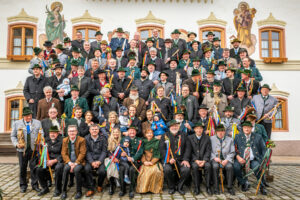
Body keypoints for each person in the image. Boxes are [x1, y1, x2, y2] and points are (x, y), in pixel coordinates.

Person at [10, 107, 42, 193]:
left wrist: (40, 141)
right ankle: (23, 185)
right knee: (22, 168)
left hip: (33, 149)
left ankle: (35, 185)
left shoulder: (38, 123)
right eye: (26, 116)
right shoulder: (17, 123)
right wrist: (16, 144)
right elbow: (13, 136)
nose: (29, 117)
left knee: (34, 168)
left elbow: (41, 134)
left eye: (30, 115)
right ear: (23, 116)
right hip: (22, 150)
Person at [233, 121, 267, 195]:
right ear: (242, 128)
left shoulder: (258, 137)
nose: (246, 129)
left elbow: (264, 149)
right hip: (241, 159)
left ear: (251, 128)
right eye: (245, 127)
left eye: (248, 127)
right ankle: (244, 182)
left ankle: (261, 186)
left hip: (253, 159)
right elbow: (233, 149)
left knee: (258, 167)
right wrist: (237, 157)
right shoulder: (237, 137)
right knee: (235, 167)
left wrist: (263, 160)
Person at [160, 120, 190, 195]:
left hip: (181, 159)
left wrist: (186, 159)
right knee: (167, 169)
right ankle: (171, 187)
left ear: (179, 126)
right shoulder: (165, 136)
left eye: (176, 125)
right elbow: (162, 149)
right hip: (168, 159)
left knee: (186, 169)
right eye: (173, 126)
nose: (174, 127)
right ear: (170, 127)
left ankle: (180, 187)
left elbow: (188, 148)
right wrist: (169, 158)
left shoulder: (184, 135)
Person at [36, 126, 64, 197]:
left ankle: (58, 189)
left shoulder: (62, 141)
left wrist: (54, 160)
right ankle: (45, 188)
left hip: (58, 161)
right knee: (39, 169)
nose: (52, 134)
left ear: (57, 134)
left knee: (58, 168)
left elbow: (64, 153)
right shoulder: (45, 140)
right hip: (47, 161)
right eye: (51, 133)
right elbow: (40, 152)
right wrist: (43, 160)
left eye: (54, 133)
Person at [186, 122, 212, 195]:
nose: (199, 130)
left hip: (204, 159)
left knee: (208, 166)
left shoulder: (207, 138)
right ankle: (196, 187)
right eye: (197, 128)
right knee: (194, 167)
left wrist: (204, 160)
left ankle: (208, 187)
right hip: (194, 160)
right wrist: (195, 160)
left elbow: (208, 150)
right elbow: (189, 151)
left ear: (203, 129)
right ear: (194, 129)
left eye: (200, 128)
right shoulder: (190, 138)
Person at [61, 125, 86, 199]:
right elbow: (63, 153)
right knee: (65, 169)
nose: (72, 132)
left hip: (79, 162)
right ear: (68, 132)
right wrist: (69, 163)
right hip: (69, 162)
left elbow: (83, 153)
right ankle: (64, 191)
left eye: (73, 131)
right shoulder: (65, 140)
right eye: (70, 131)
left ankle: (79, 191)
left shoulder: (81, 140)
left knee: (76, 170)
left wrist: (75, 163)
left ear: (76, 132)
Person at [118, 126, 144, 198]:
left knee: (132, 169)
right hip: (124, 161)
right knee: (121, 169)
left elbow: (140, 152)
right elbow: (120, 149)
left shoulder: (140, 140)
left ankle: (131, 190)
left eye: (134, 131)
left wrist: (133, 158)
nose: (132, 132)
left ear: (136, 132)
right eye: (130, 130)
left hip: (134, 161)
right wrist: (121, 154)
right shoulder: (123, 139)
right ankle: (122, 189)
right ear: (128, 132)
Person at [136, 129, 164, 194]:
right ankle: (144, 189)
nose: (149, 134)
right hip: (145, 161)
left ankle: (153, 189)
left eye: (151, 133)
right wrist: (144, 161)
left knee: (155, 171)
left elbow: (158, 153)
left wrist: (152, 162)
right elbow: (141, 153)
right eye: (148, 133)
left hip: (154, 161)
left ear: (153, 134)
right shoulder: (143, 142)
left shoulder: (157, 141)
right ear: (145, 135)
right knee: (145, 171)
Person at [210, 124, 235, 195]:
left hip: (226, 159)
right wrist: (214, 158)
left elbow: (232, 152)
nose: (221, 133)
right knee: (215, 167)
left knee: (229, 167)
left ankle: (230, 187)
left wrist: (227, 160)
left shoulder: (230, 139)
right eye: (219, 131)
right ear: (216, 132)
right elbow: (209, 151)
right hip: (215, 159)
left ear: (225, 132)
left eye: (222, 131)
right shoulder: (211, 139)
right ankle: (216, 187)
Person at [84, 124, 107, 197]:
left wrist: (99, 161)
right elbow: (86, 152)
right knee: (87, 169)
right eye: (92, 129)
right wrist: (91, 162)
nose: (94, 131)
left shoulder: (103, 138)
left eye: (96, 129)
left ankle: (99, 185)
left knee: (102, 171)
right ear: (89, 130)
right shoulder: (86, 138)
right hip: (90, 159)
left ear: (98, 130)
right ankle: (91, 188)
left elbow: (104, 151)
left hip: (100, 159)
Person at [105, 128, 122, 195]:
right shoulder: (109, 140)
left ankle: (117, 180)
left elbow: (125, 150)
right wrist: (112, 157)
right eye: (114, 132)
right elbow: (107, 151)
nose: (116, 134)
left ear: (119, 133)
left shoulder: (122, 140)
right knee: (111, 164)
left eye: (117, 132)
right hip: (111, 158)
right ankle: (112, 184)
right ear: (112, 133)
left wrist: (119, 158)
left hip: (120, 158)